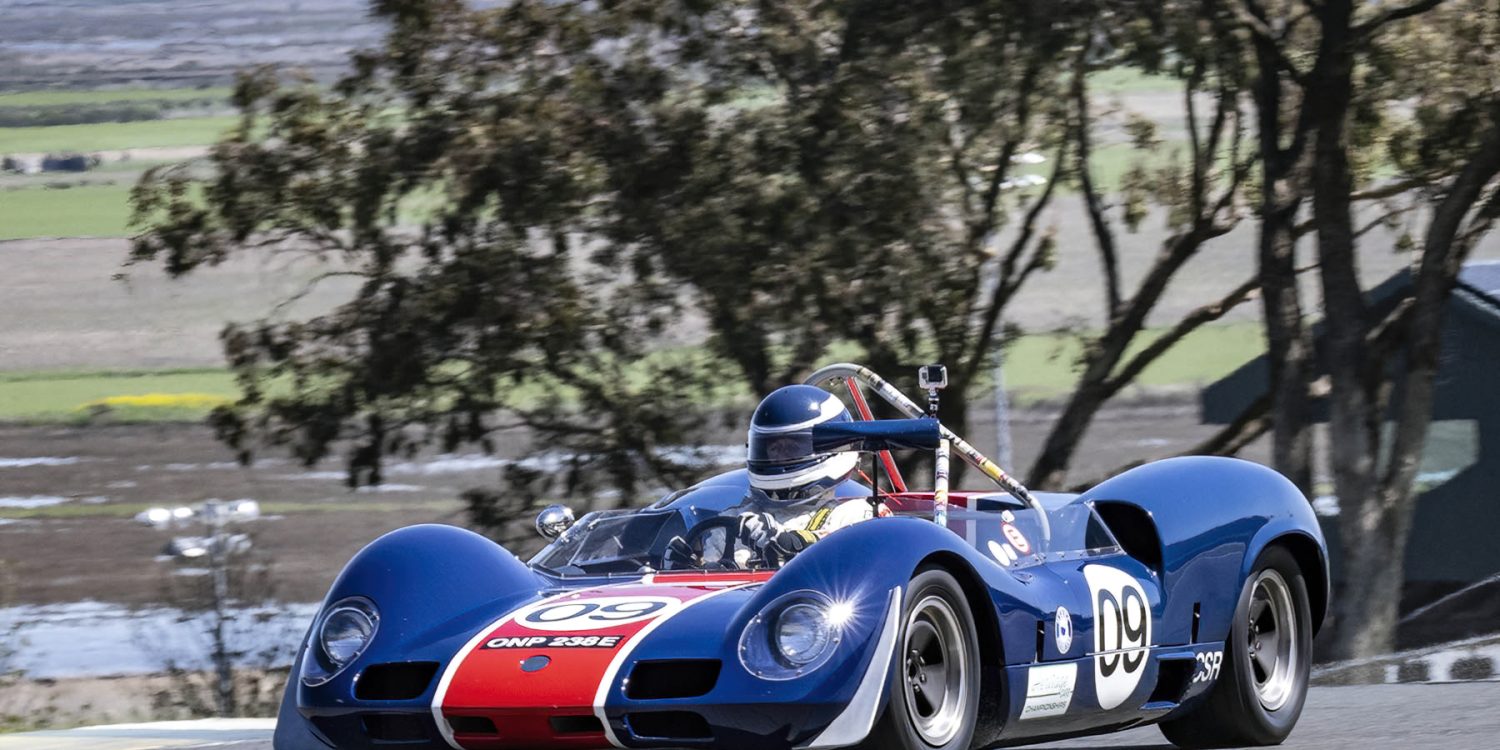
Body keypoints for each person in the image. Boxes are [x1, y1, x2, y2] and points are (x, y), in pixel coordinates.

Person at [707, 384, 888, 567]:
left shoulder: (857, 515)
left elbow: (855, 563)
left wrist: (784, 542)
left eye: (791, 448)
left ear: (831, 450)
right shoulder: (736, 519)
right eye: (774, 448)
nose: (780, 456)